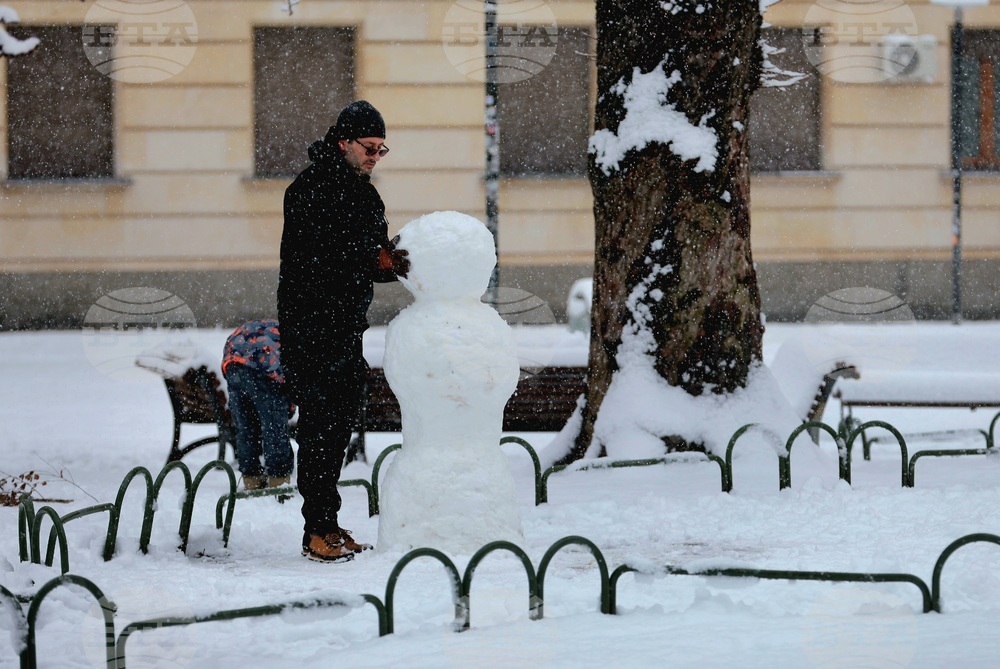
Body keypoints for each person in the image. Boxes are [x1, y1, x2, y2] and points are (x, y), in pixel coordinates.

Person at [278, 100, 409, 563]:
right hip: (312, 330)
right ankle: (316, 529)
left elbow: (370, 260)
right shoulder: (309, 190)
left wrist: (397, 263)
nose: (375, 156)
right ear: (343, 143)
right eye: (369, 147)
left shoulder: (365, 193)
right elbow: (318, 261)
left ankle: (329, 524)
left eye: (381, 149)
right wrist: (371, 258)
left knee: (337, 431)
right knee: (318, 430)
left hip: (348, 328)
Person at [222, 318, 294, 492]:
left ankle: (251, 478)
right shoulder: (296, 341)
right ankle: (279, 481)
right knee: (274, 428)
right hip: (264, 364)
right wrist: (288, 408)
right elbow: (292, 385)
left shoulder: (278, 331)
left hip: (234, 360)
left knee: (245, 428)